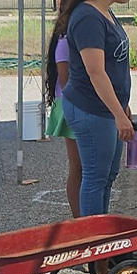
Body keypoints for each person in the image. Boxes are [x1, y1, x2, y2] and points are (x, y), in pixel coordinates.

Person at [60, 0, 137, 216]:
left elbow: (114, 68)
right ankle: (93, 249)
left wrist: (122, 106)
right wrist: (118, 114)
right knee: (94, 178)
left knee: (107, 176)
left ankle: (103, 242)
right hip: (92, 109)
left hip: (108, 108)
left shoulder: (105, 12)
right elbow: (96, 73)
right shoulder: (88, 17)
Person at [45, 21, 81, 218]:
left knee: (82, 167)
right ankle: (79, 217)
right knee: (78, 167)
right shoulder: (65, 39)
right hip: (70, 105)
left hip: (73, 103)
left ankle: (82, 216)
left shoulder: (70, 36)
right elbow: (64, 78)